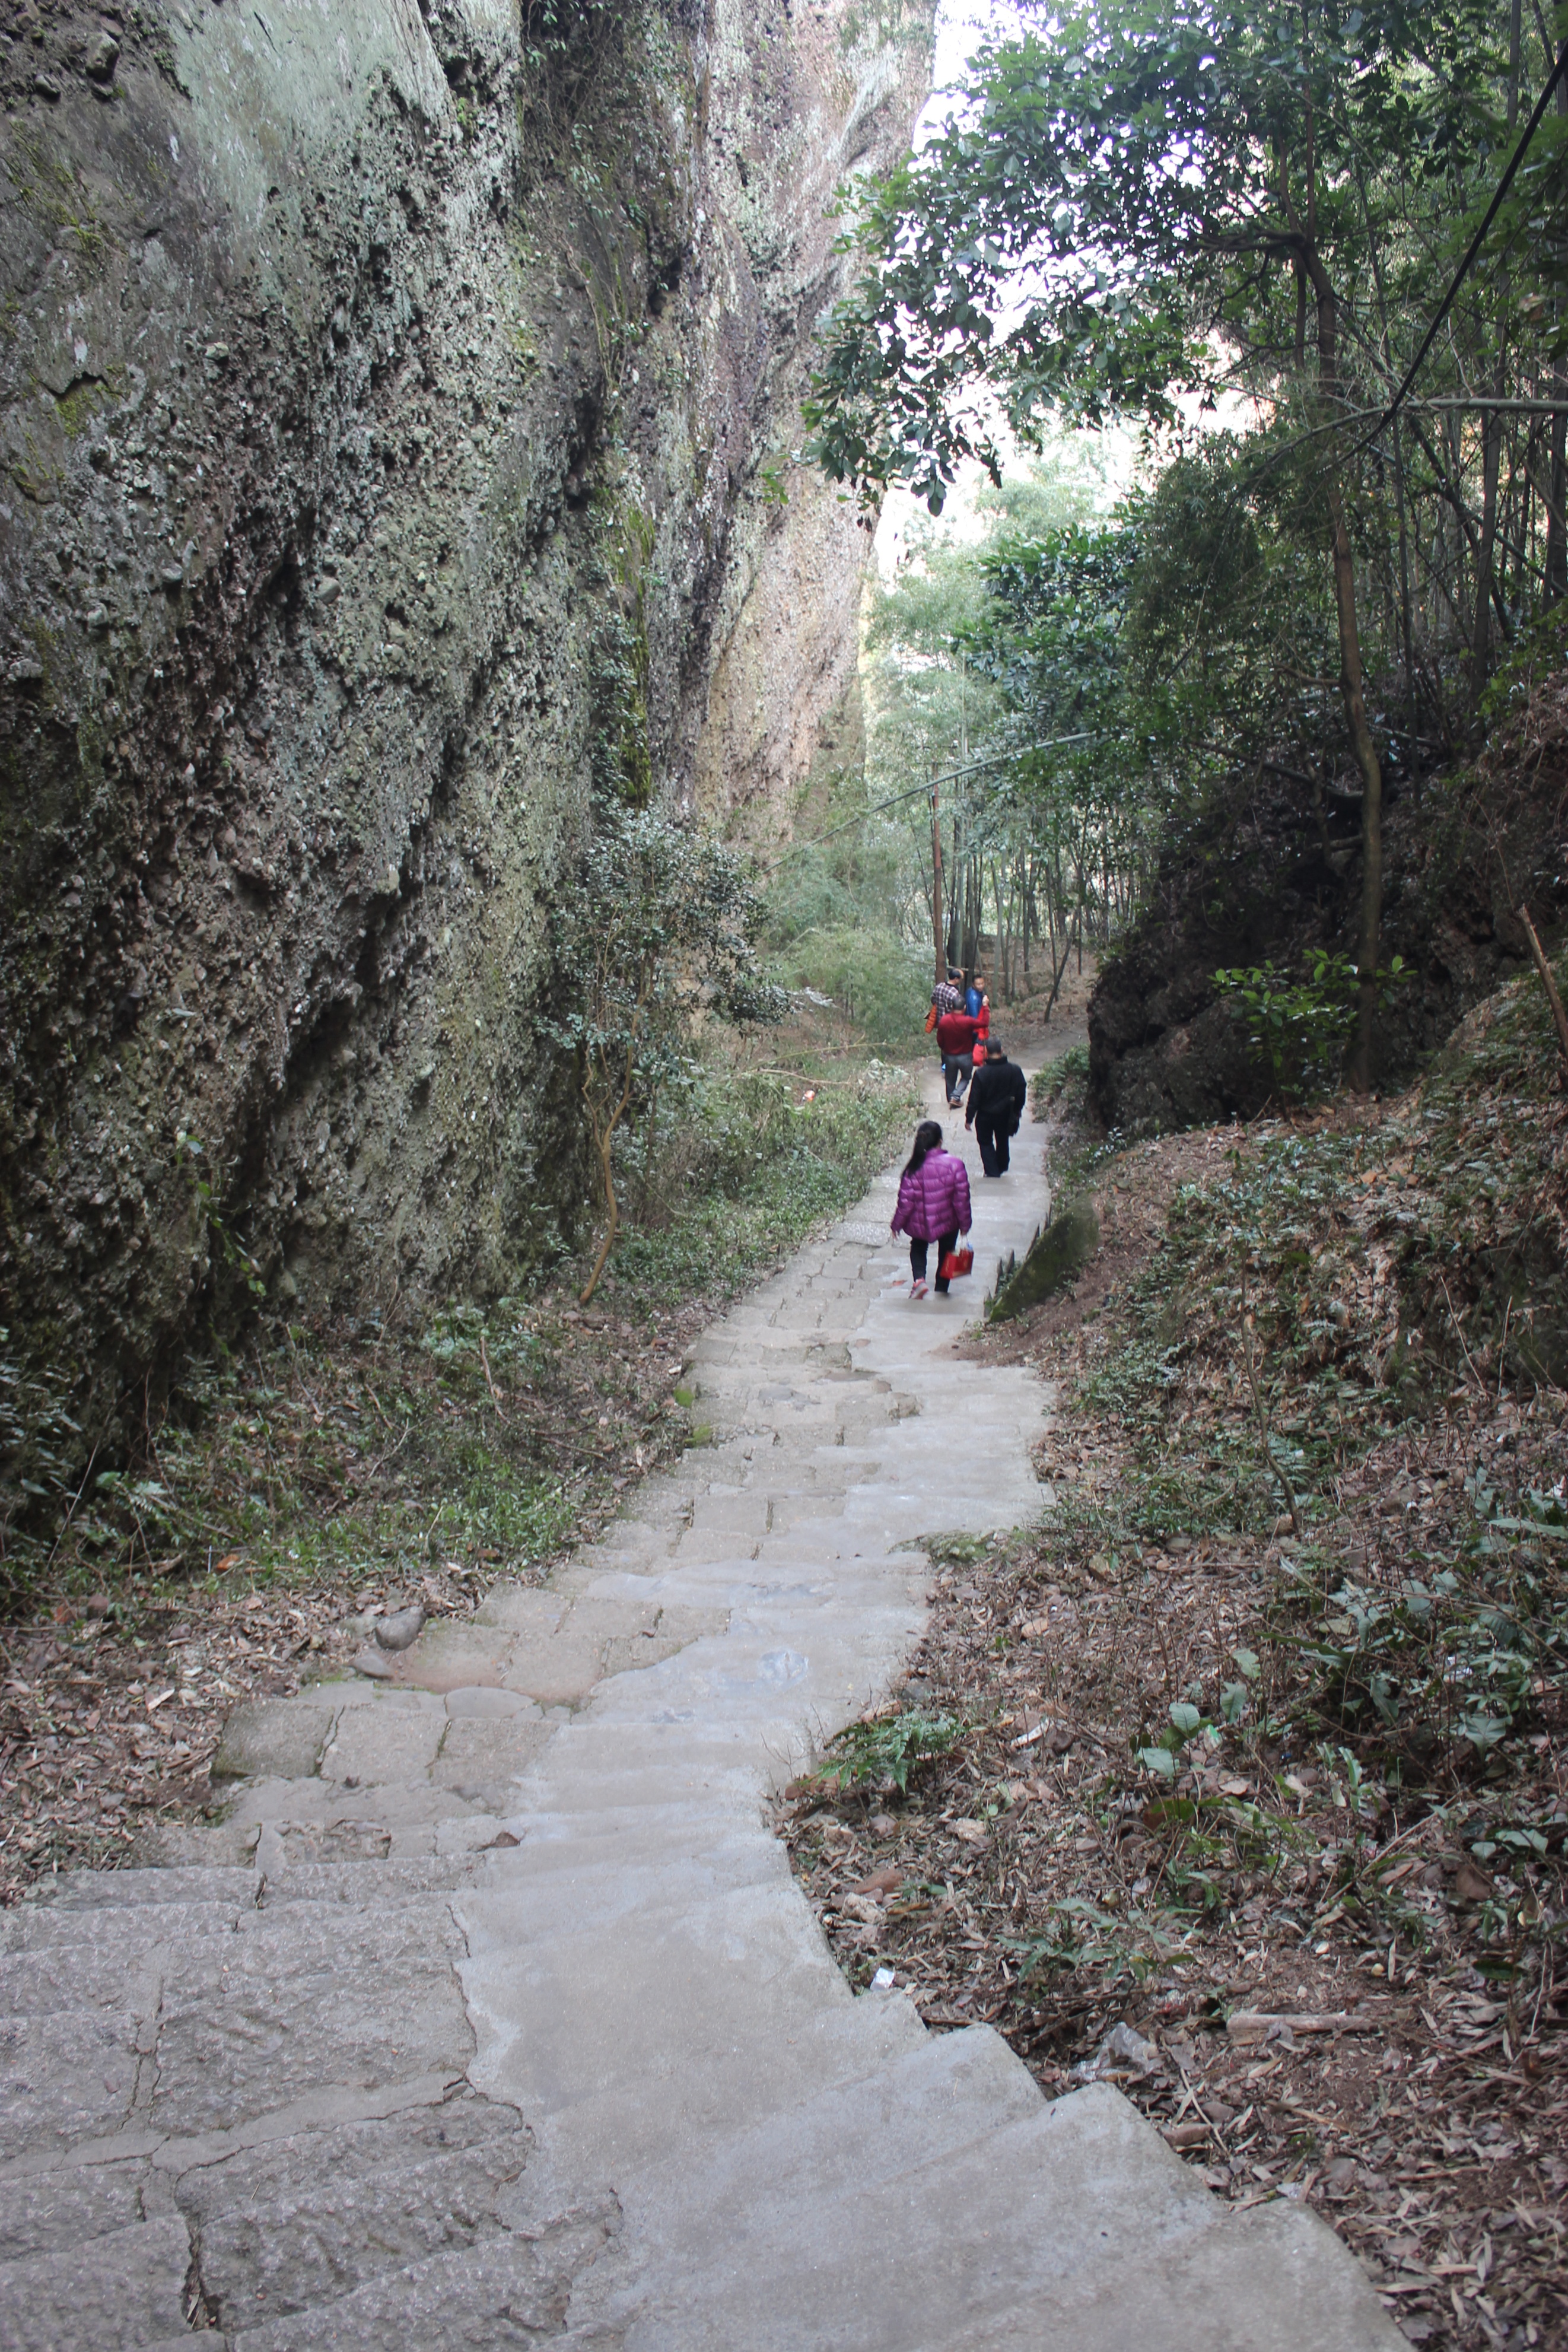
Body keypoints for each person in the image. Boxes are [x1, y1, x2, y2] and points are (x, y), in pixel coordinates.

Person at [890, 1118, 972, 1298]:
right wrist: (965, 1225)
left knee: (918, 1247)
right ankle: (942, 1289)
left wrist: (896, 1225)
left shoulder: (913, 1168)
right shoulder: (955, 1165)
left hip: (920, 1221)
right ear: (940, 1142)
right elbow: (962, 1199)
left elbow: (905, 1202)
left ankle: (919, 1281)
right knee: (947, 1251)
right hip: (949, 1222)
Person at [965, 1040, 1028, 1177]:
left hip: (985, 1115)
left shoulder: (981, 1073)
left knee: (985, 1141)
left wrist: (969, 1118)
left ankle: (992, 1171)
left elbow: (974, 1098)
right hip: (1006, 1114)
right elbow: (1021, 1092)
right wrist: (1018, 1109)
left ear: (986, 1052)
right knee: (1003, 1139)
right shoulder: (1014, 1070)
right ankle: (1002, 1165)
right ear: (1002, 1050)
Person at [934, 1001, 979, 1105]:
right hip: (965, 1056)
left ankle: (952, 1098)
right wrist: (985, 1008)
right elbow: (984, 1023)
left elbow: (940, 1039)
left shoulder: (944, 1020)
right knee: (967, 1077)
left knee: (950, 1080)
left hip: (949, 1056)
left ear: (952, 1007)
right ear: (964, 1008)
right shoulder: (968, 1021)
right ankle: (956, 1096)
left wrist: (944, 1049)